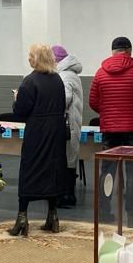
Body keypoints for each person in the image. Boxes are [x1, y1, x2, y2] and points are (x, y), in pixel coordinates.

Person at [89, 36, 133, 220]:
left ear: (113, 52)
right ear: (129, 51)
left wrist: (107, 113)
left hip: (109, 130)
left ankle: (103, 212)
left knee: (107, 171)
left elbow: (93, 101)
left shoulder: (100, 72)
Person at [8, 44, 67, 237]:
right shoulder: (57, 80)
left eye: (31, 55)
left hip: (37, 132)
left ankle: (22, 217)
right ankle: (53, 216)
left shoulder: (29, 81)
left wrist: (16, 98)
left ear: (36, 58)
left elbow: (20, 111)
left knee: (29, 169)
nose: (28, 58)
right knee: (52, 170)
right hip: (56, 131)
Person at [53, 44, 84, 208]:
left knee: (66, 159)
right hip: (72, 123)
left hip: (68, 124)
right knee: (69, 159)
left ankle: (66, 195)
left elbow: (64, 99)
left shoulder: (65, 76)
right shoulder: (70, 74)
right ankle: (67, 194)